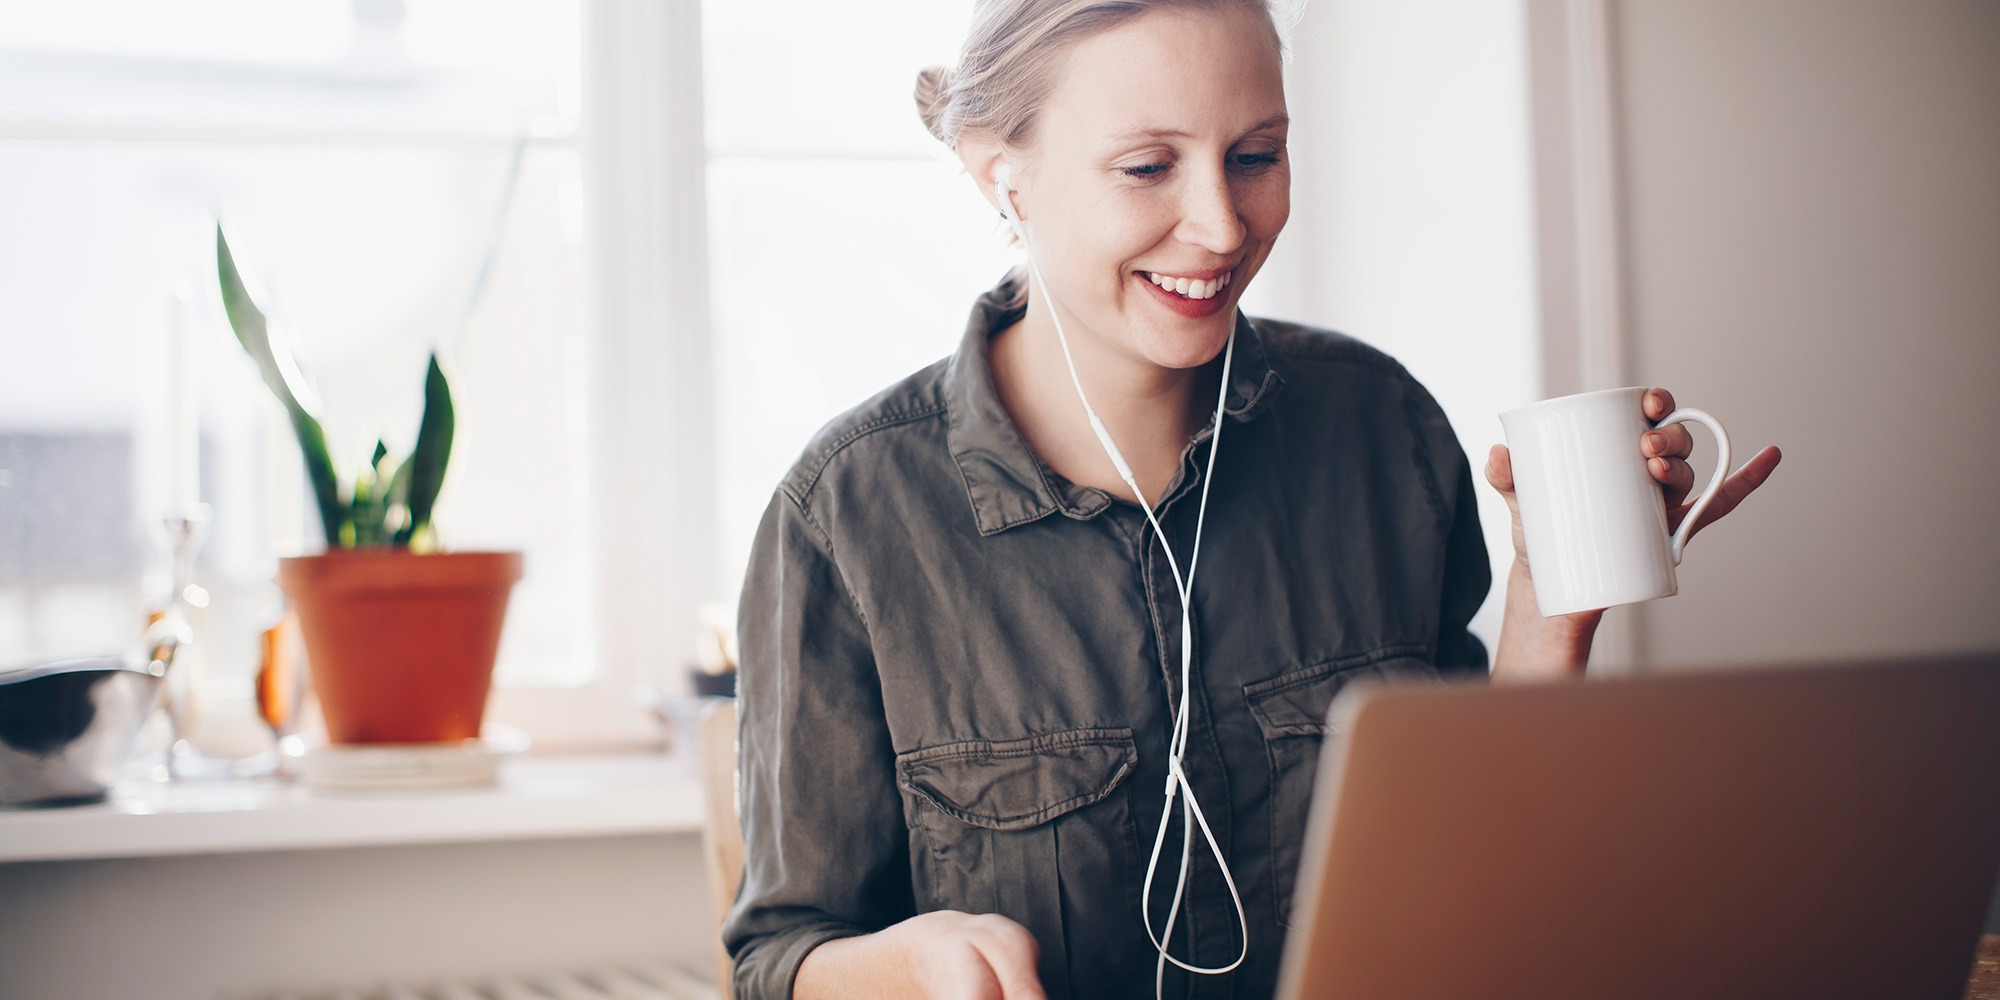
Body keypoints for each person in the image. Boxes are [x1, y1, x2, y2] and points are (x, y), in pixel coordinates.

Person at [722, 2, 1783, 998]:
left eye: (1255, 157)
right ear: (1003, 176)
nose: (1222, 227)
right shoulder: (845, 518)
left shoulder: (1381, 426)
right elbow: (777, 956)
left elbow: (1478, 863)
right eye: (1147, 166)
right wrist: (908, 962)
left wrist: (1552, 604)